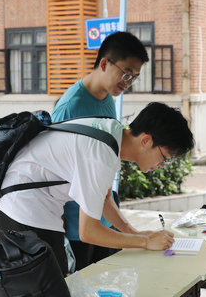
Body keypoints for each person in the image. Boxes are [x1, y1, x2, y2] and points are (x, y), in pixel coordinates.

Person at [0, 102, 194, 274]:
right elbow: (89, 232)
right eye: (164, 158)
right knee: (43, 286)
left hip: (31, 204)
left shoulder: (111, 131)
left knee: (54, 282)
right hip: (22, 209)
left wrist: (136, 233)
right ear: (146, 140)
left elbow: (104, 199)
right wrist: (145, 242)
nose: (162, 165)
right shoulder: (100, 154)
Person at [52, 31, 149, 271]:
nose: (128, 82)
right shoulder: (70, 106)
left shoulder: (107, 99)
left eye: (134, 77)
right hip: (75, 224)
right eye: (126, 73)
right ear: (104, 63)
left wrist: (131, 232)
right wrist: (58, 228)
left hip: (102, 216)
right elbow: (54, 172)